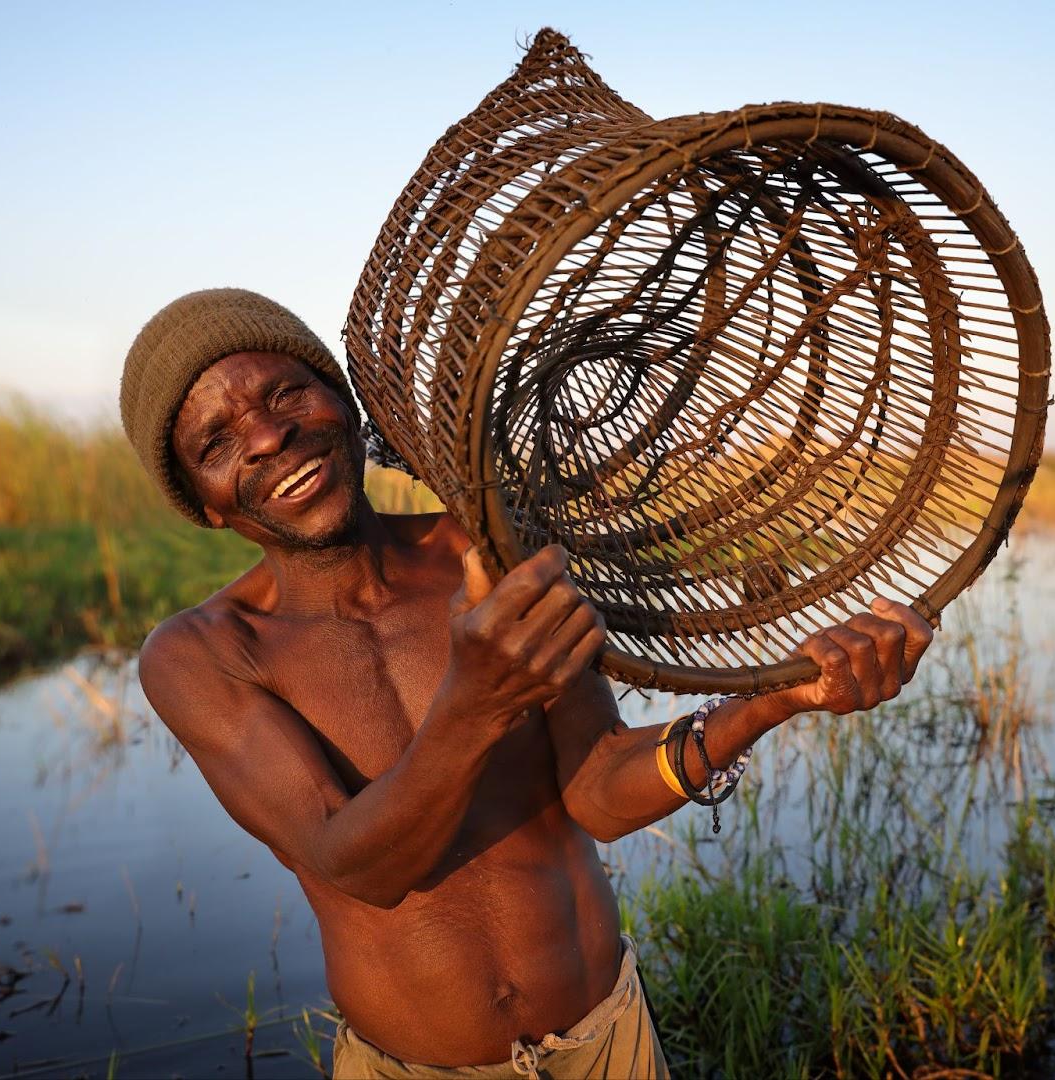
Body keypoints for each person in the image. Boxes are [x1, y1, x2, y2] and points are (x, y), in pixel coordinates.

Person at [120, 288, 935, 1079]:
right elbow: (359, 868)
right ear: (206, 506)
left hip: (607, 1043)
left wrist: (776, 701)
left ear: (345, 403)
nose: (267, 438)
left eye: (287, 391)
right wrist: (474, 705)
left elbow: (598, 796)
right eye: (216, 444)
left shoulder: (486, 549)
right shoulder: (204, 655)